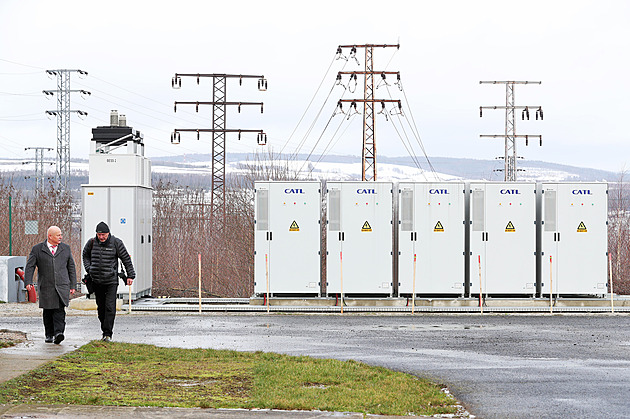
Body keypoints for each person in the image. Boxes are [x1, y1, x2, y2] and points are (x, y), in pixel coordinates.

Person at [82, 221, 135, 342]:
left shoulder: (116, 243)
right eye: (99, 235)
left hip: (111, 281)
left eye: (104, 235)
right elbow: (85, 255)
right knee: (101, 308)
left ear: (108, 233)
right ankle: (104, 330)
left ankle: (108, 334)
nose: (101, 237)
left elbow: (126, 259)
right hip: (96, 281)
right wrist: (89, 268)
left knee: (110, 307)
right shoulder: (91, 243)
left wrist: (130, 276)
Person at [24, 226, 77, 344]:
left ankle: (59, 333)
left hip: (62, 285)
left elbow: (71, 267)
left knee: (59, 309)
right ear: (50, 236)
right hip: (46, 285)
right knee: (48, 311)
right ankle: (49, 334)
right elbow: (30, 266)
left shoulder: (66, 248)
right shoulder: (37, 249)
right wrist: (28, 281)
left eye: (61, 235)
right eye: (58, 235)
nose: (61, 237)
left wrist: (73, 284)